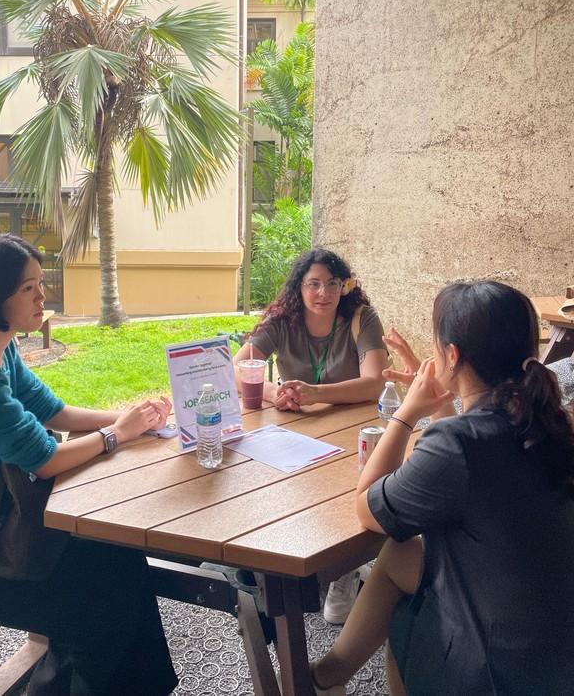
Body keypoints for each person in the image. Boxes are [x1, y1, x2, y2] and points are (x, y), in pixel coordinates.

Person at [0, 234, 178, 696]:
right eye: (28, 288)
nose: (43, 297)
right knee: (99, 606)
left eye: (40, 284)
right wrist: (118, 433)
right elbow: (45, 459)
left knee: (118, 558)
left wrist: (135, 419)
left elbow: (53, 412)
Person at [309, 281, 574, 696]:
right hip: (554, 647)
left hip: (499, 670)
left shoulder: (459, 444)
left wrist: (406, 413)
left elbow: (367, 508)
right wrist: (444, 402)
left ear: (451, 355)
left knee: (406, 613)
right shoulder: (550, 422)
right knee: (402, 554)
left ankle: (326, 677)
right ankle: (329, 675)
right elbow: (470, 464)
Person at [233, 248, 388, 624]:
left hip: (352, 427)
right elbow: (236, 368)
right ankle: (286, 561)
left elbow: (375, 382)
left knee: (351, 492)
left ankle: (344, 572)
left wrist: (317, 393)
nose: (323, 293)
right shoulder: (282, 320)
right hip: (297, 427)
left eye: (332, 284)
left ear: (344, 287)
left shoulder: (360, 318)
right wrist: (275, 393)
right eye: (313, 284)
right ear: (298, 287)